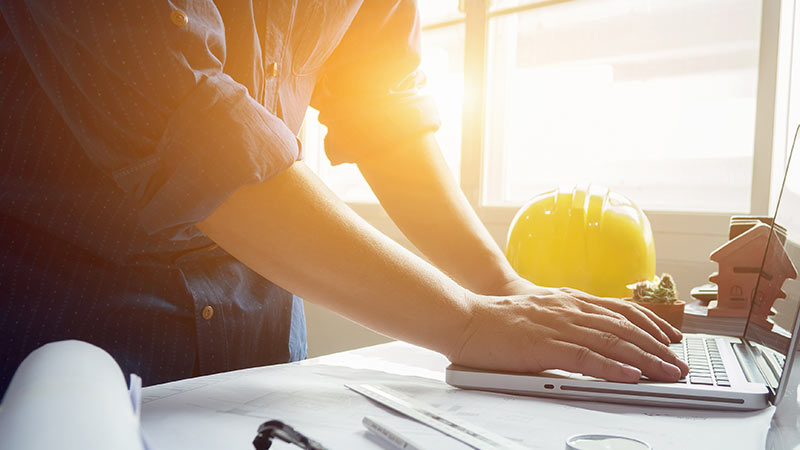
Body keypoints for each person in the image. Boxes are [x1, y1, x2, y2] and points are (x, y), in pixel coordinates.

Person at [0, 0, 688, 397]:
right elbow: (191, 132)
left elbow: (379, 100)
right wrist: (467, 323)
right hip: (61, 324)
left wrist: (496, 285)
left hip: (258, 327)